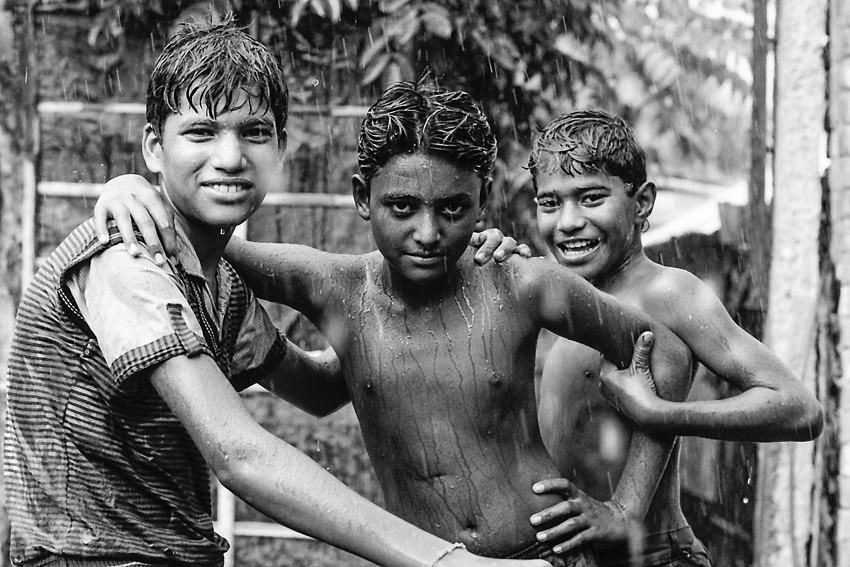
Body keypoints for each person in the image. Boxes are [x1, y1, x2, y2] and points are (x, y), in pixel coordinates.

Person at [3, 20, 552, 567]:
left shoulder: (218, 281)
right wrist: (449, 561)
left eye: (254, 133)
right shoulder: (126, 257)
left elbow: (319, 389)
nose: (230, 157)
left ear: (280, 148)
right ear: (153, 147)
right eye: (201, 132)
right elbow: (240, 455)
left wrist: (443, 283)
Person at [93, 79, 694, 567]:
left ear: (482, 199)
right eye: (402, 208)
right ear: (362, 197)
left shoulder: (521, 282)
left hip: (545, 557)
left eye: (453, 209)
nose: (429, 234)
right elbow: (198, 239)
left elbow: (661, 348)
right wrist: (127, 187)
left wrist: (628, 507)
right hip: (428, 561)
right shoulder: (333, 286)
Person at [525, 110, 824, 566]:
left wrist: (664, 414)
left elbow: (798, 408)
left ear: (642, 203)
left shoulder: (667, 292)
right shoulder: (562, 307)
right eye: (551, 203)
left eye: (590, 198)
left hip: (656, 556)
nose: (567, 221)